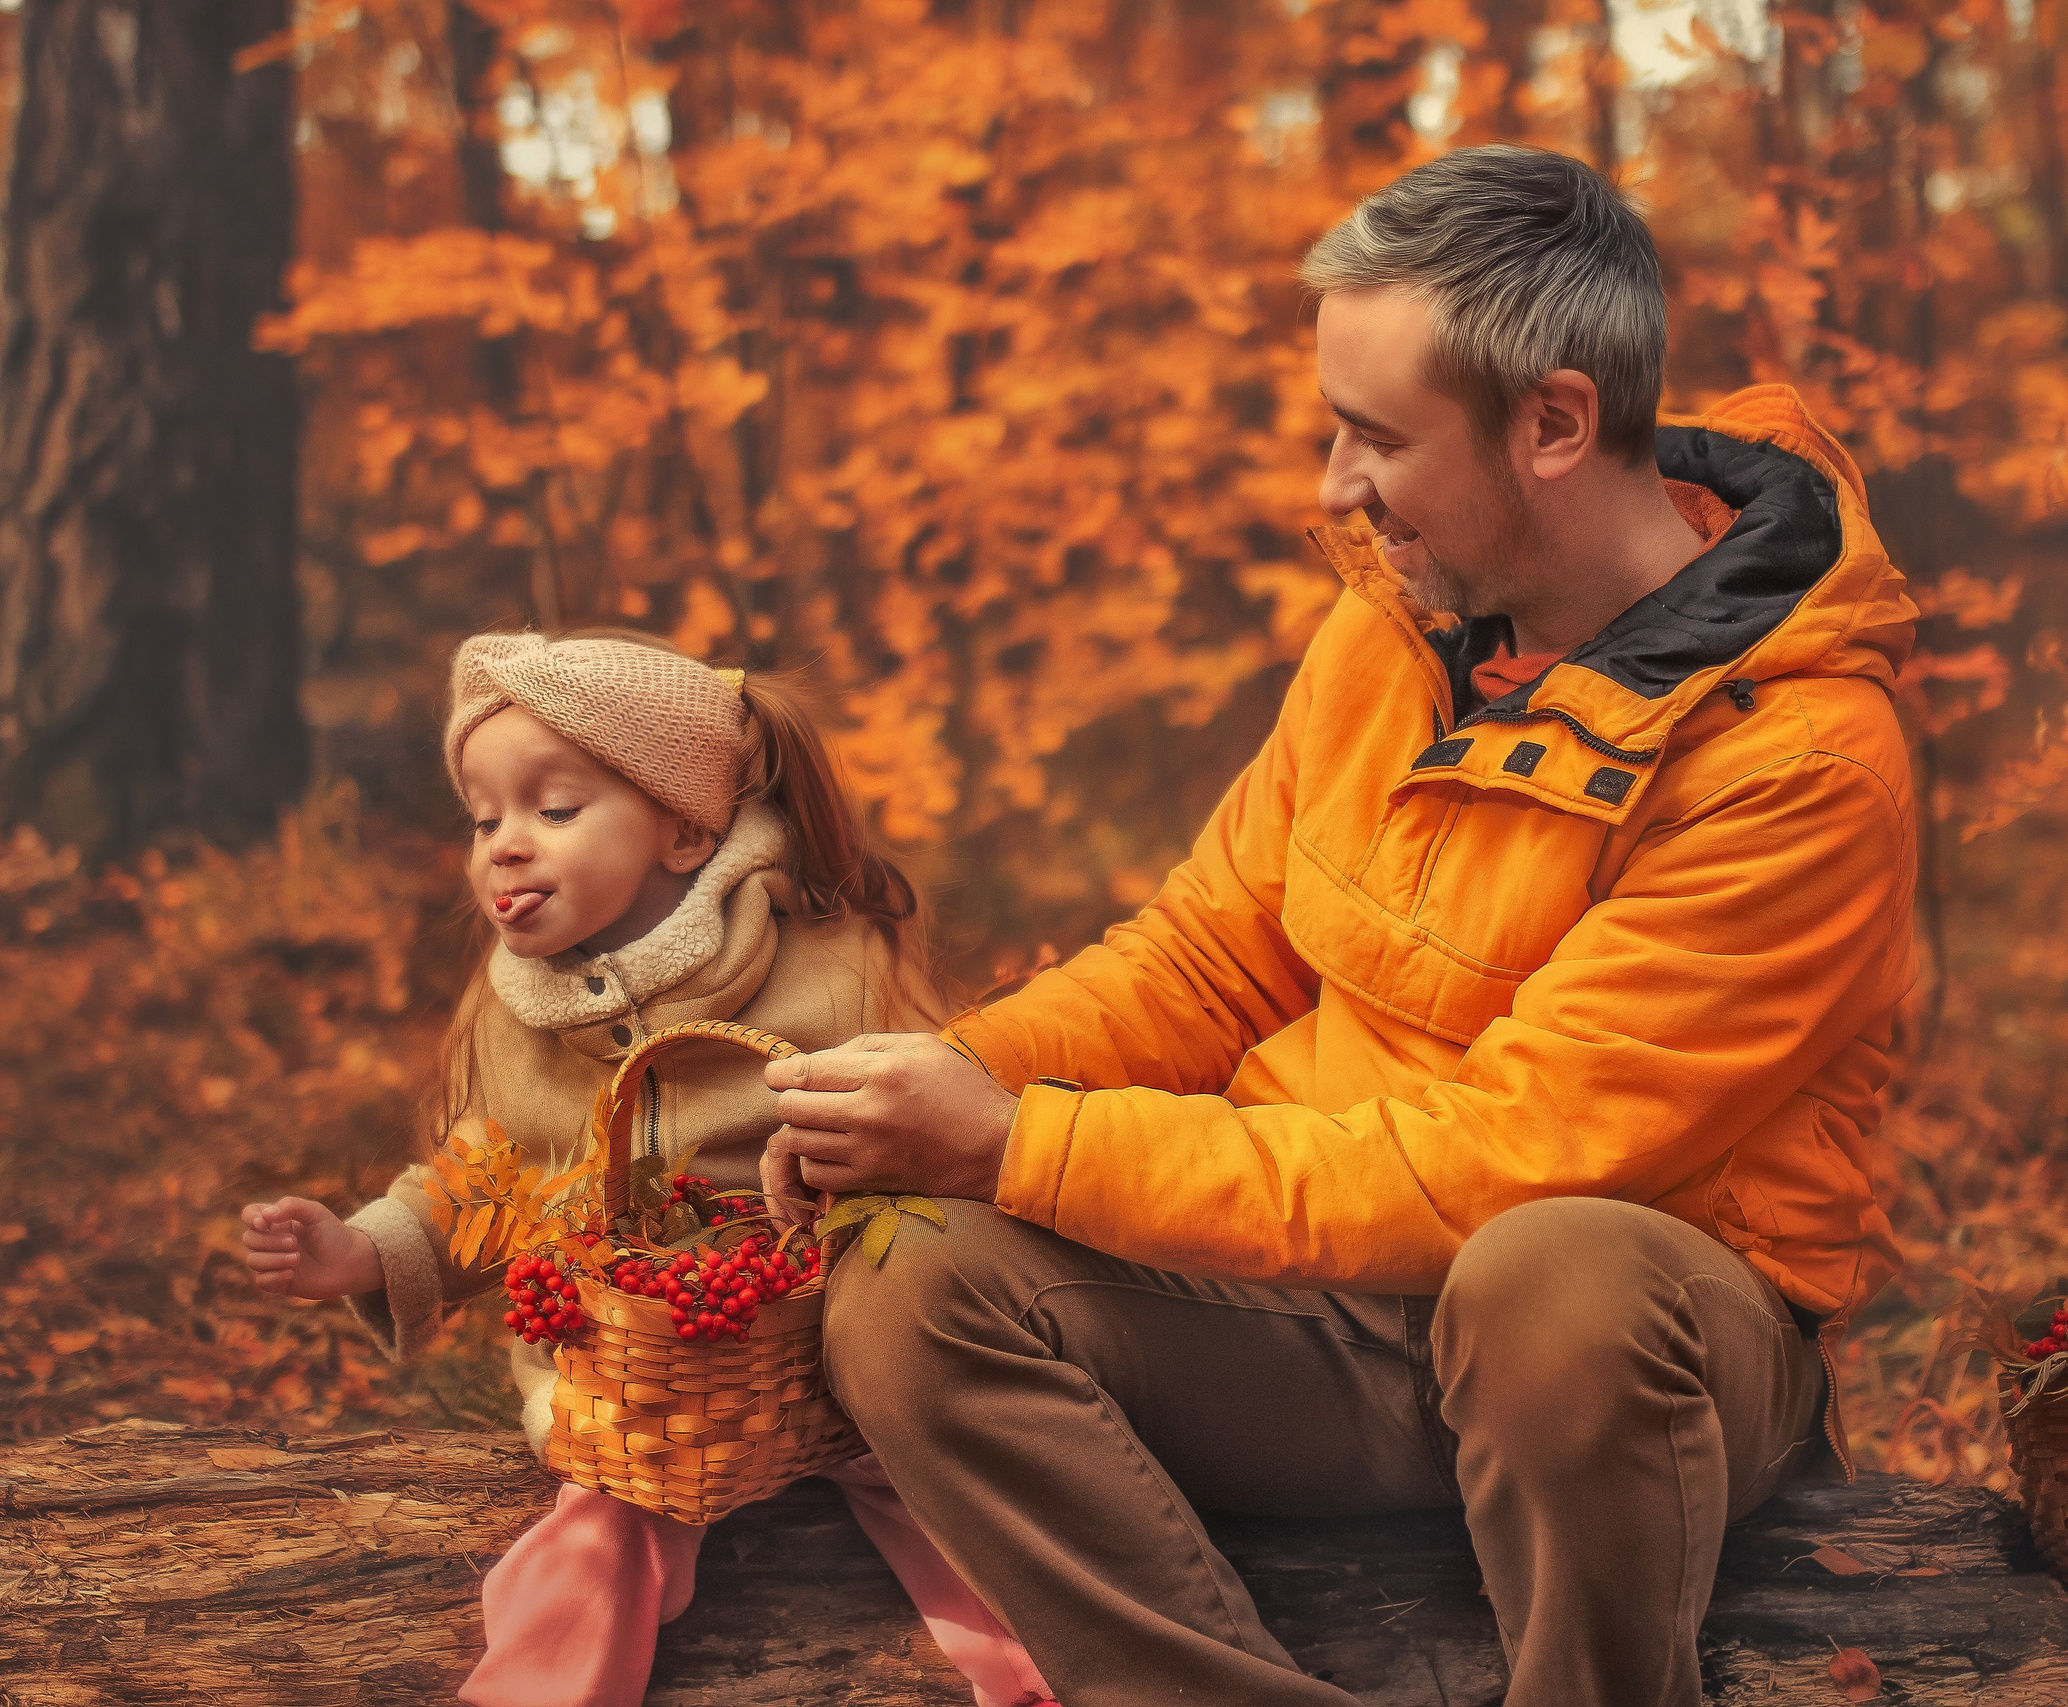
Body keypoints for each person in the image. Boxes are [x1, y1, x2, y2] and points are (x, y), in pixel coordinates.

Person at [757, 144, 1918, 1707]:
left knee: (1545, 1274)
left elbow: (1502, 1158)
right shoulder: (1391, 631)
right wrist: (929, 1086)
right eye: (1332, 425)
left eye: (1376, 435)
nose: (1332, 487)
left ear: (1557, 422)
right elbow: (1208, 956)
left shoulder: (1803, 759)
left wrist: (1020, 1141)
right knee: (910, 1271)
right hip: (1331, 1304)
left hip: (1643, 1337)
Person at [237, 630, 1054, 1707]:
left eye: (553, 810)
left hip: (832, 1352)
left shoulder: (832, 966)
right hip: (640, 1392)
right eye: (485, 820)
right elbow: (483, 1179)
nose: (504, 846)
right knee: (597, 1541)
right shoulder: (516, 1012)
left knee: (963, 1490)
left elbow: (932, 1129)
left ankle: (1044, 1678)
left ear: (681, 829)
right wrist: (360, 1249)